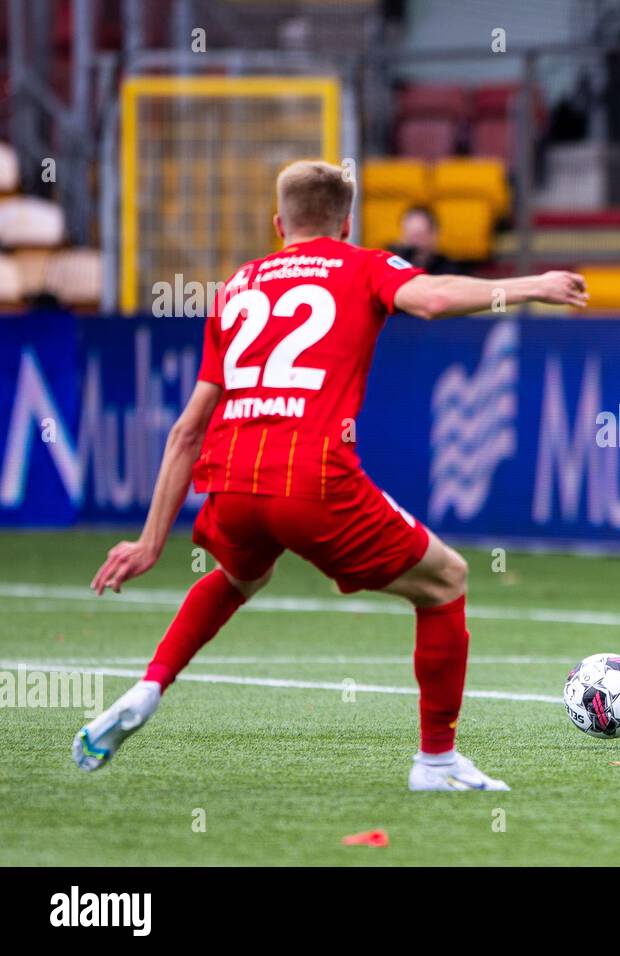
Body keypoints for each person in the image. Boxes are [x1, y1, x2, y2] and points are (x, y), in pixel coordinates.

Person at [77, 160, 588, 790]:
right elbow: (429, 299)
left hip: (233, 478)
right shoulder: (360, 264)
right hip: (311, 477)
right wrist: (532, 284)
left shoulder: (238, 286)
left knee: (240, 575)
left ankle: (150, 685)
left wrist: (149, 542)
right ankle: (435, 763)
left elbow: (187, 429)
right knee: (447, 581)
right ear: (346, 224)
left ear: (277, 223)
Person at [389, 205, 460, 275]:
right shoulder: (391, 267)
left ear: (434, 234)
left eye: (419, 236)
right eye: (409, 236)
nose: (413, 243)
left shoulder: (448, 270)